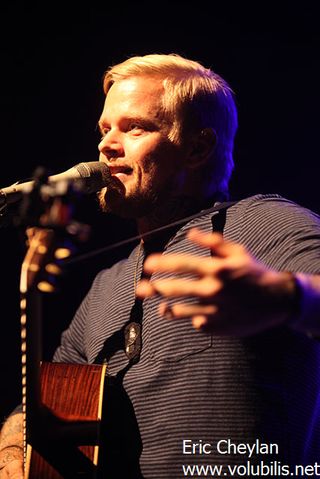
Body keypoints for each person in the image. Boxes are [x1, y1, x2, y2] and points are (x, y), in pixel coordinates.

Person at [1, 53, 320, 478]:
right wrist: (11, 451)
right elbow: (42, 401)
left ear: (197, 148)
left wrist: (286, 297)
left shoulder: (267, 224)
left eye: (134, 127)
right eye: (105, 128)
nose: (106, 145)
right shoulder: (106, 287)